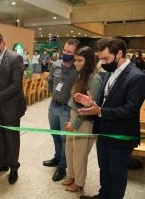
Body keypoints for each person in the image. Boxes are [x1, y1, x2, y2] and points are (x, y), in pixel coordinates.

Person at [76, 37, 145, 199]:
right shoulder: (109, 73)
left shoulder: (137, 77)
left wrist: (100, 111)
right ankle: (103, 194)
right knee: (104, 168)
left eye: (106, 59)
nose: (104, 63)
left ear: (120, 53)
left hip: (121, 134)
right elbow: (107, 100)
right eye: (101, 59)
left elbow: (130, 109)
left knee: (117, 173)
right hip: (104, 131)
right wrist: (92, 103)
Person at [0, 31, 26, 185]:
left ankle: (14, 167)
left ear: (2, 43)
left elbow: (16, 86)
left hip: (10, 107)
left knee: (11, 138)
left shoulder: (15, 58)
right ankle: (2, 163)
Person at [62, 46, 102, 192]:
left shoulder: (94, 79)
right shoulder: (82, 75)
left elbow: (89, 108)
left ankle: (79, 183)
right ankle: (72, 176)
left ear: (89, 61)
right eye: (75, 60)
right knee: (70, 150)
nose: (75, 63)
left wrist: (75, 123)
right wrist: (72, 121)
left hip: (85, 121)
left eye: (80, 60)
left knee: (80, 154)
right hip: (75, 116)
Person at [43, 39, 81, 182]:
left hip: (66, 109)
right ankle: (57, 157)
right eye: (64, 50)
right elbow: (51, 81)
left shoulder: (78, 69)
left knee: (65, 139)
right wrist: (54, 93)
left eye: (69, 52)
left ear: (75, 53)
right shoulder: (56, 65)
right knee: (55, 135)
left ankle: (62, 166)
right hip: (53, 106)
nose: (65, 53)